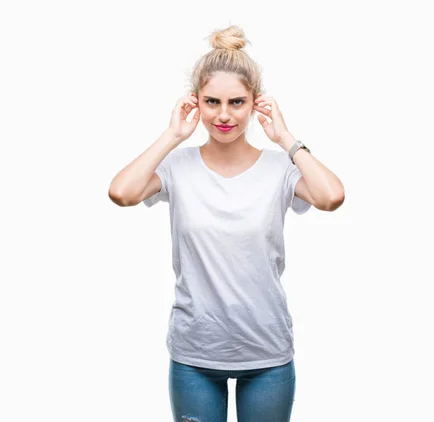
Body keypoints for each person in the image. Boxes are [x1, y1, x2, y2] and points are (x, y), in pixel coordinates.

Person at [108, 24, 345, 422]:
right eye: (211, 102)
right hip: (195, 353)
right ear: (195, 103)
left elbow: (331, 197)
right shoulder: (178, 167)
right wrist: (172, 135)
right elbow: (122, 192)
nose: (223, 115)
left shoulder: (279, 169)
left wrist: (286, 137)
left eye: (236, 102)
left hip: (266, 351)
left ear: (255, 103)